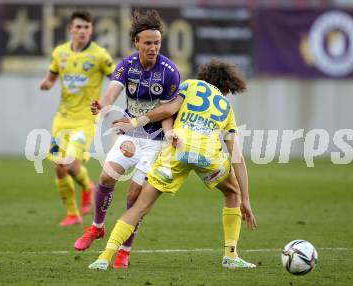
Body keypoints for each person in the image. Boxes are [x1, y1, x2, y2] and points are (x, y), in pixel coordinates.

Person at [88, 58, 257, 270]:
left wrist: (133, 122)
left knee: (141, 206)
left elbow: (167, 111)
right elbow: (237, 157)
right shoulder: (226, 107)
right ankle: (231, 255)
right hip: (208, 155)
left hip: (178, 149)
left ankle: (104, 257)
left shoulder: (188, 85)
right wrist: (246, 200)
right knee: (232, 193)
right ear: (226, 86)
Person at [73, 9, 180, 269]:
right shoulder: (126, 66)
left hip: (155, 141)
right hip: (130, 133)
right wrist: (103, 105)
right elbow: (112, 92)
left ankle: (125, 250)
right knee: (107, 176)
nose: (153, 47)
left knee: (134, 195)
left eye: (157, 43)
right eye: (148, 43)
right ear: (136, 42)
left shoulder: (169, 72)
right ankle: (97, 227)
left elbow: (168, 110)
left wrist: (168, 133)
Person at [39, 10, 116, 227]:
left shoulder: (100, 55)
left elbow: (116, 79)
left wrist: (105, 100)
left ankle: (86, 189)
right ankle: (73, 212)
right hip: (62, 119)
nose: (82, 31)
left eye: (86, 27)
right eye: (78, 27)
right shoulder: (60, 52)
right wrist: (47, 83)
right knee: (59, 166)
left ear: (91, 30)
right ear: (70, 29)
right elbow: (52, 75)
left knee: (69, 160)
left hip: (85, 120)